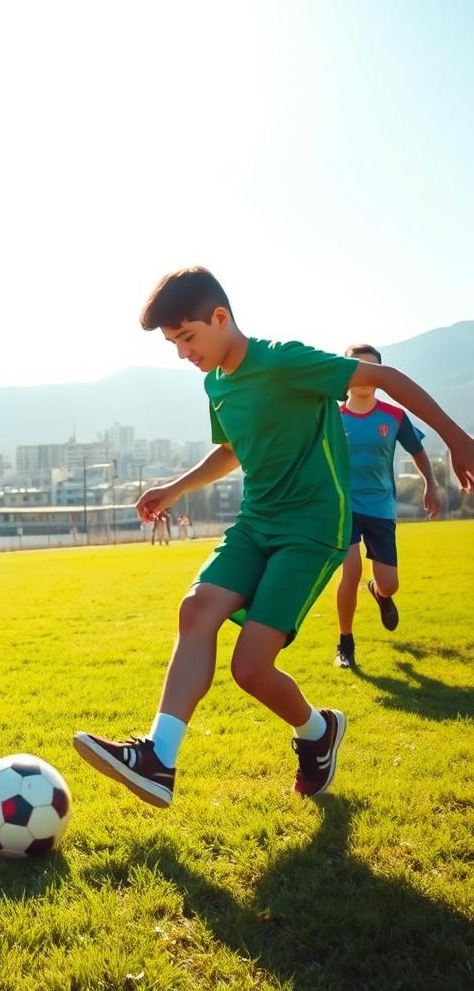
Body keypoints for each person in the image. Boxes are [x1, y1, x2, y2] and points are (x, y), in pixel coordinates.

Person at [73, 267, 474, 807]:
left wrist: (457, 439)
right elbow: (232, 450)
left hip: (311, 529)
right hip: (256, 521)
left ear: (220, 317)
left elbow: (388, 378)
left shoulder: (285, 361)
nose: (183, 353)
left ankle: (317, 732)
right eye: (173, 345)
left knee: (250, 668)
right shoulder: (216, 383)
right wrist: (174, 488)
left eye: (187, 338)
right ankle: (159, 757)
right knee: (196, 609)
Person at [333, 345, 440, 668]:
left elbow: (417, 451)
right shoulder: (332, 416)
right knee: (350, 570)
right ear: (347, 373)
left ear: (381, 376)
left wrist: (430, 483)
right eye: (358, 367)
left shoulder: (394, 416)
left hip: (380, 507)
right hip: (344, 507)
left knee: (390, 583)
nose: (365, 375)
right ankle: (345, 645)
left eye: (373, 369)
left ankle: (379, 593)